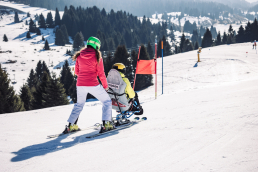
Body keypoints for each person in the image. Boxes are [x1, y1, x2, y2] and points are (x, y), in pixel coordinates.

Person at [63, 37, 114, 134]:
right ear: (97, 45)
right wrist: (105, 86)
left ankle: (71, 126)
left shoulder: (79, 55)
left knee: (79, 104)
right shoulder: (97, 56)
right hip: (93, 84)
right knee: (107, 101)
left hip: (80, 84)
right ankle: (107, 124)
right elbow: (101, 74)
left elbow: (77, 72)